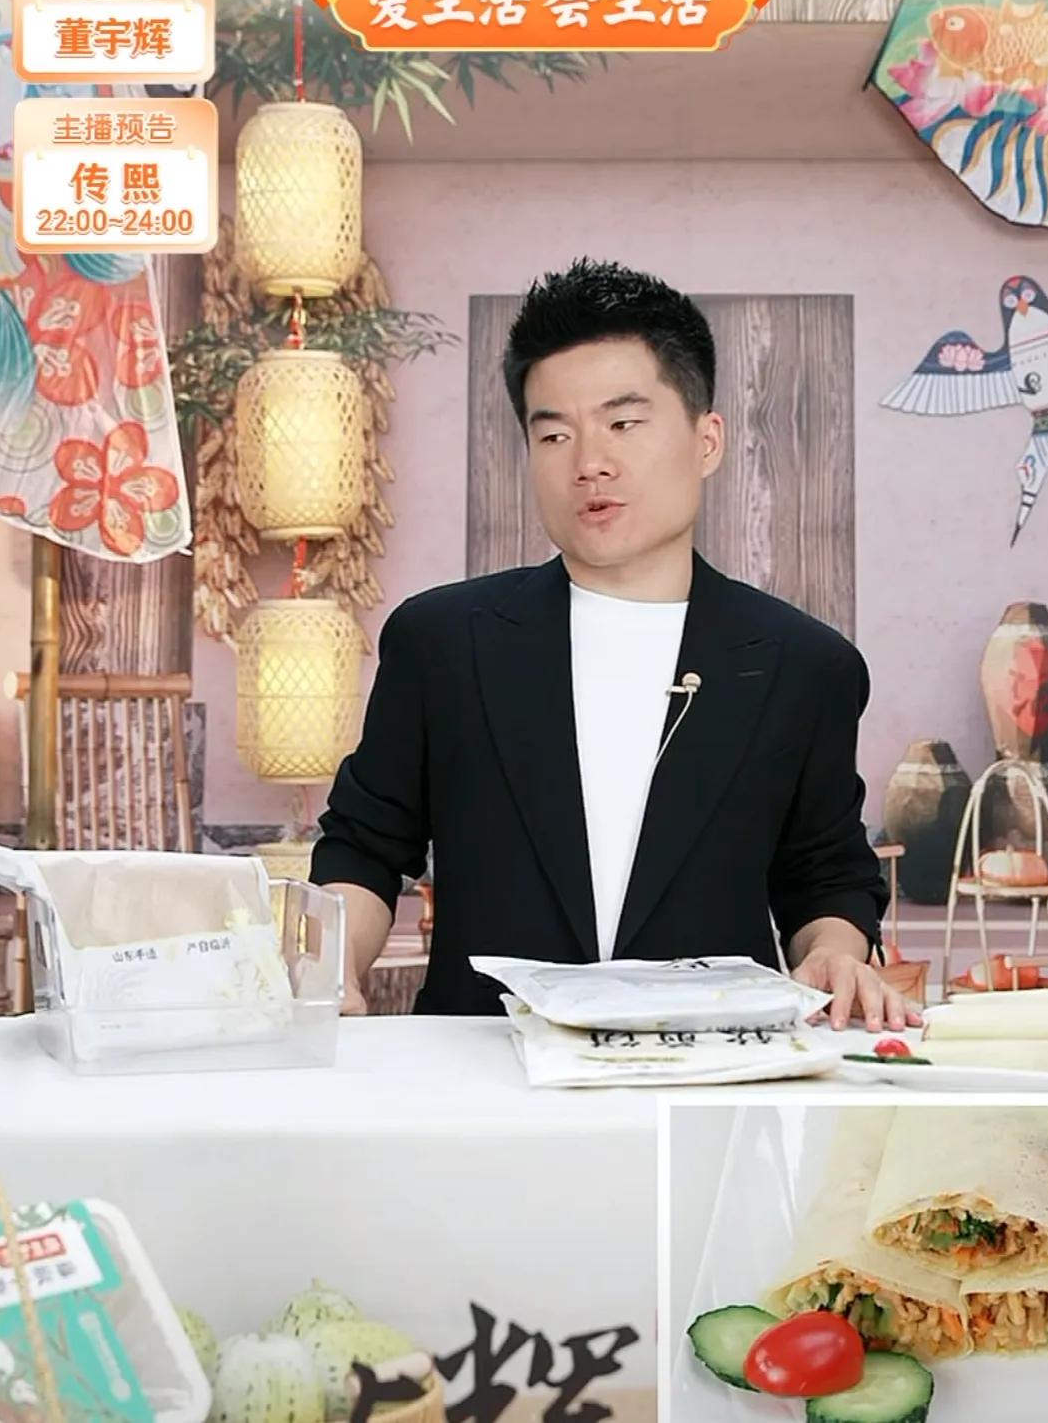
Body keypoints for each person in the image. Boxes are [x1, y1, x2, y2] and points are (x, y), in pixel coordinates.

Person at [311, 259, 917, 1032]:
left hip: (714, 1070)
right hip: (482, 1064)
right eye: (553, 433)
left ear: (706, 440)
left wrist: (835, 952)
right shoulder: (444, 642)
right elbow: (363, 848)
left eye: (623, 424)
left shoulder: (803, 665)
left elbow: (824, 874)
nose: (588, 462)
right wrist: (331, 966)